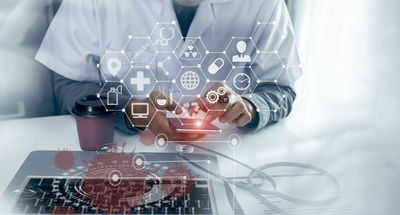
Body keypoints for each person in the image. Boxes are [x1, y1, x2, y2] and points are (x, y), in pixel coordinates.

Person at [36, 0, 302, 141]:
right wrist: (131, 110)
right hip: (121, 155)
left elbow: (280, 88)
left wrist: (249, 106)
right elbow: (69, 81)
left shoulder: (264, 3)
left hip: (226, 157)